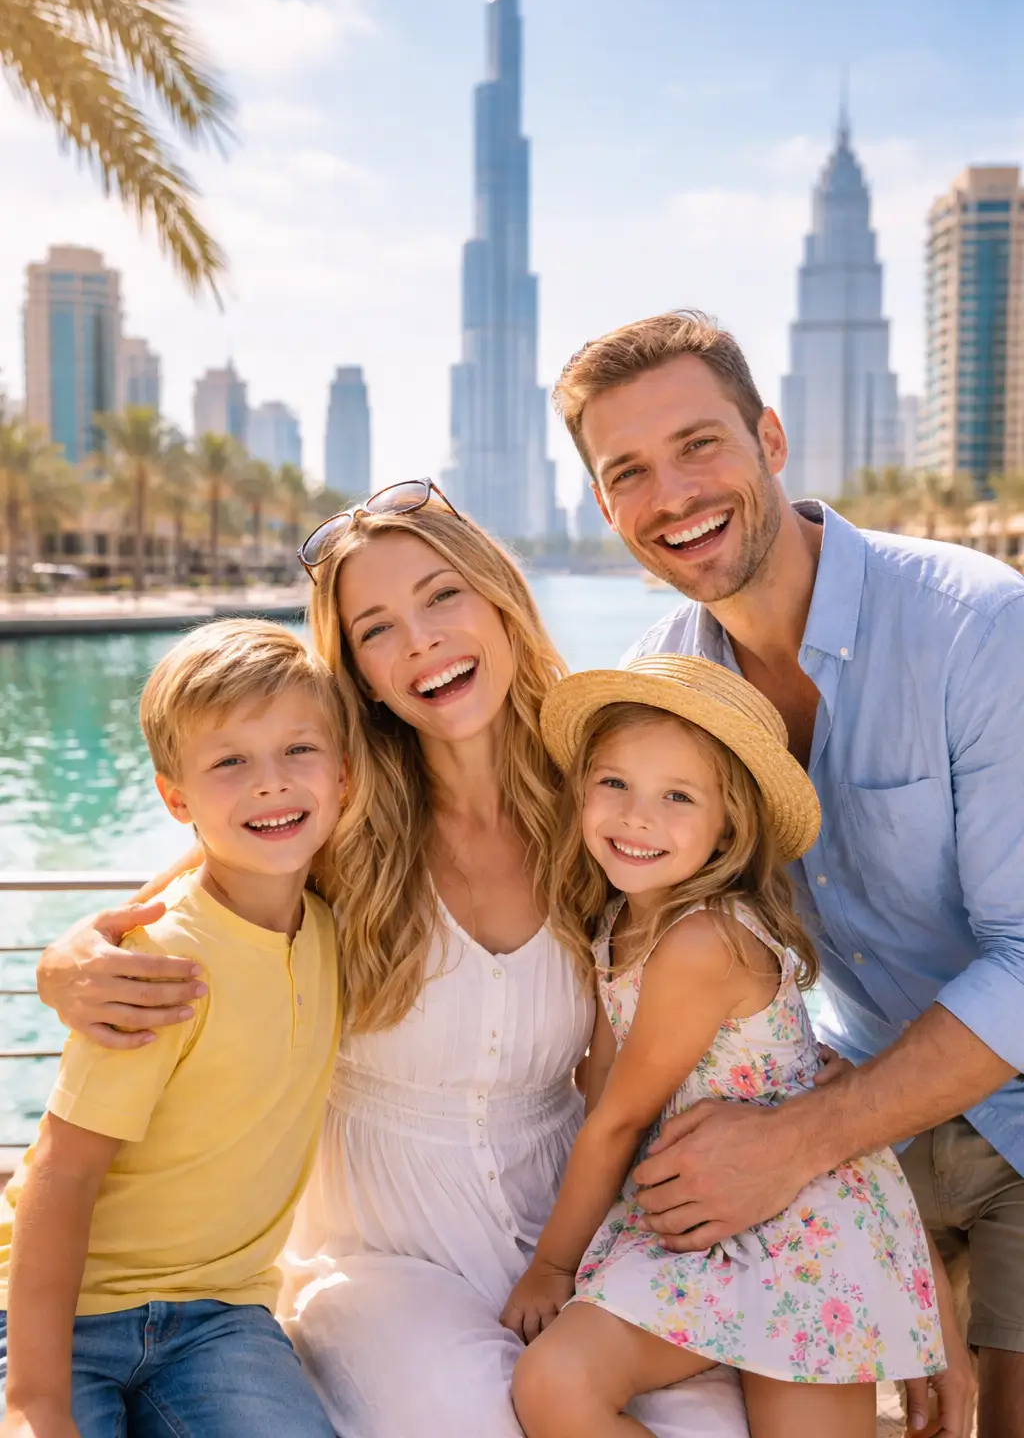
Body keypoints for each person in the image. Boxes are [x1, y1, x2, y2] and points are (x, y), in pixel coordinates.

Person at [35, 492, 748, 1438]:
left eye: (442, 596)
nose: (420, 642)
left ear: (500, 603)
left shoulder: (599, 802)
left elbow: (739, 954)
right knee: (476, 1420)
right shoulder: (330, 814)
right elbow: (190, 889)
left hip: (575, 1223)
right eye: (377, 629)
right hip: (384, 1253)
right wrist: (64, 959)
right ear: (359, 674)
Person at [553, 307, 1023, 1436]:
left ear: (767, 438)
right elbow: (499, 834)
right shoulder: (664, 685)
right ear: (606, 507)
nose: (671, 494)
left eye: (698, 445)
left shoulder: (979, 632)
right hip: (863, 1123)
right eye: (629, 472)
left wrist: (798, 1143)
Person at [502, 654, 946, 1438]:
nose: (639, 817)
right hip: (686, 1220)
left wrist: (552, 1266)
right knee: (554, 1385)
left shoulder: (702, 943)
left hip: (803, 1229)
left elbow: (615, 1124)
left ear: (728, 827)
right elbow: (598, 1094)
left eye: (678, 796)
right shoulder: (615, 926)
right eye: (615, 784)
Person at [0, 619, 346, 1438]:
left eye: (298, 751)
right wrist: (34, 1400)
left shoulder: (336, 929)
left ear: (344, 773)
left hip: (221, 1321)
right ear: (176, 797)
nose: (270, 783)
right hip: (63, 1318)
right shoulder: (155, 965)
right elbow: (62, 1174)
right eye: (230, 761)